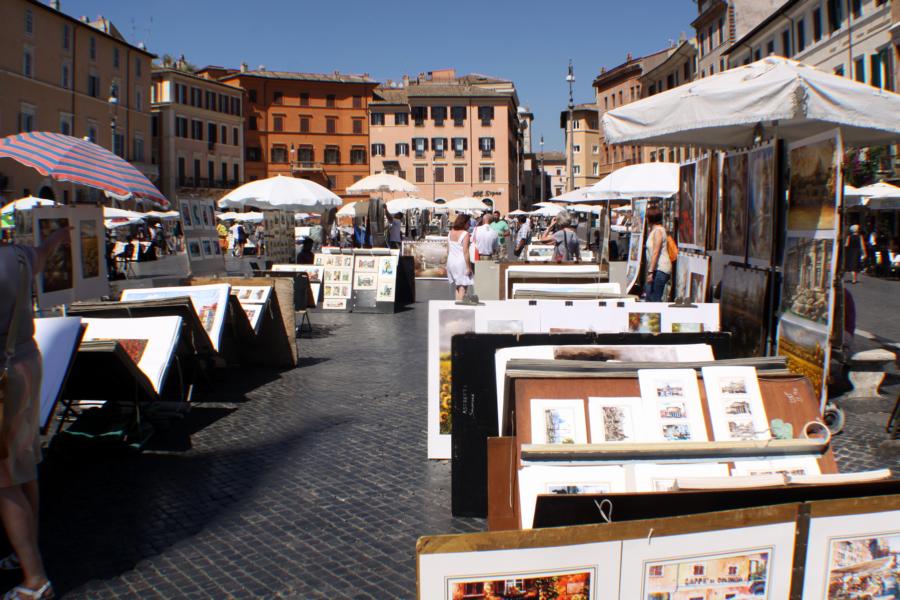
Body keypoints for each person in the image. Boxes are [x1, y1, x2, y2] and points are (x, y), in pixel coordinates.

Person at [0, 226, 72, 600]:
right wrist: (59, 235)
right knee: (25, 464)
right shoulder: (17, 256)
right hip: (28, 361)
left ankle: (35, 578)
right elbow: (43, 254)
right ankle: (24, 548)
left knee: (4, 481)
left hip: (2, 376)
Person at [643, 206, 672, 301]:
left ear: (649, 218)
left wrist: (650, 272)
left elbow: (656, 251)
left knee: (653, 298)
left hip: (660, 269)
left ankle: (655, 315)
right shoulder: (655, 231)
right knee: (650, 296)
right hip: (657, 269)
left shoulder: (658, 231)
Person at [446, 213, 474, 302]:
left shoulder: (450, 232)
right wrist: (469, 267)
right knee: (463, 287)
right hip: (461, 262)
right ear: (464, 223)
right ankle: (461, 307)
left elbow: (448, 250)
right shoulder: (465, 234)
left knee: (458, 286)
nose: (470, 224)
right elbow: (465, 252)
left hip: (451, 261)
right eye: (468, 222)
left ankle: (457, 304)